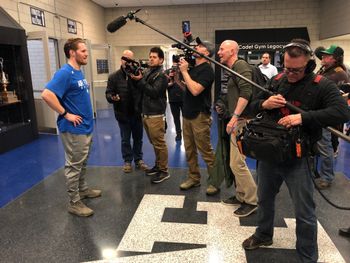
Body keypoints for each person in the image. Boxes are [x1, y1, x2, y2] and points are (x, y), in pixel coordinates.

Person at [242, 39, 350, 263]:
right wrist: (264, 104)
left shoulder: (322, 84)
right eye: (287, 68)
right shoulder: (278, 79)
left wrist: (303, 117)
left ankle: (307, 255)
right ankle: (263, 234)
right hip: (270, 154)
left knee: (304, 212)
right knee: (264, 200)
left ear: (308, 64)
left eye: (297, 70)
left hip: (299, 159)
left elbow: (342, 112)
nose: (290, 73)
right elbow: (253, 105)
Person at [41, 38, 101, 217]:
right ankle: (74, 203)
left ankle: (82, 190)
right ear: (72, 53)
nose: (86, 54)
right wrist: (65, 113)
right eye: (83, 51)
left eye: (86, 50)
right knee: (74, 165)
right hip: (74, 129)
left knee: (82, 161)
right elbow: (47, 94)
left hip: (85, 127)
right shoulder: (65, 73)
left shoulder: (78, 72)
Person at [217, 40, 258, 217]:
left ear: (232, 51)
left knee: (237, 162)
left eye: (221, 49)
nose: (218, 52)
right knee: (235, 162)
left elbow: (246, 92)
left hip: (243, 121)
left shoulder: (240, 65)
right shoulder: (232, 68)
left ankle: (251, 200)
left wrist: (234, 118)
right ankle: (241, 195)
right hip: (239, 119)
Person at [175, 38, 217, 195]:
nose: (196, 48)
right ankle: (194, 177)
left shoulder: (207, 70)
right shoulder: (193, 68)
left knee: (205, 150)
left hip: (200, 114)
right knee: (189, 149)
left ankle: (214, 181)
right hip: (187, 113)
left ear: (206, 53)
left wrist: (185, 71)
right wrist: (178, 75)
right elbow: (186, 87)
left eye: (200, 47)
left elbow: (195, 90)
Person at [130, 47, 170, 184]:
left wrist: (140, 81)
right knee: (154, 143)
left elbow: (153, 92)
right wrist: (137, 79)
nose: (151, 59)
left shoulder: (162, 75)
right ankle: (158, 166)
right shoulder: (148, 72)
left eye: (154, 57)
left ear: (161, 60)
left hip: (155, 114)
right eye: (150, 56)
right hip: (145, 113)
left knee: (159, 143)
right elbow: (141, 88)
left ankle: (164, 171)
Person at [105, 50, 148, 173]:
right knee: (125, 139)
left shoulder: (139, 75)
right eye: (125, 58)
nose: (127, 61)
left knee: (138, 138)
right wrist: (112, 98)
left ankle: (139, 160)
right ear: (121, 60)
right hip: (122, 114)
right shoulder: (113, 77)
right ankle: (127, 161)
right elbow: (108, 93)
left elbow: (145, 90)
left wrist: (139, 79)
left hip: (137, 113)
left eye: (130, 59)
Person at [314, 45, 349, 189]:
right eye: (322, 55)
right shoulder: (325, 70)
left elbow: (341, 97)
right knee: (313, 144)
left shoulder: (338, 74)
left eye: (327, 55)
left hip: (325, 115)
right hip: (316, 112)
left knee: (324, 146)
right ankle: (314, 172)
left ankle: (327, 177)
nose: (323, 57)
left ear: (335, 59)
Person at [164, 57, 184, 142]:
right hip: (173, 99)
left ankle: (186, 133)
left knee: (186, 118)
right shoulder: (167, 72)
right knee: (176, 118)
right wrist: (169, 78)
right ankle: (178, 134)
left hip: (184, 98)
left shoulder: (184, 71)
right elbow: (164, 86)